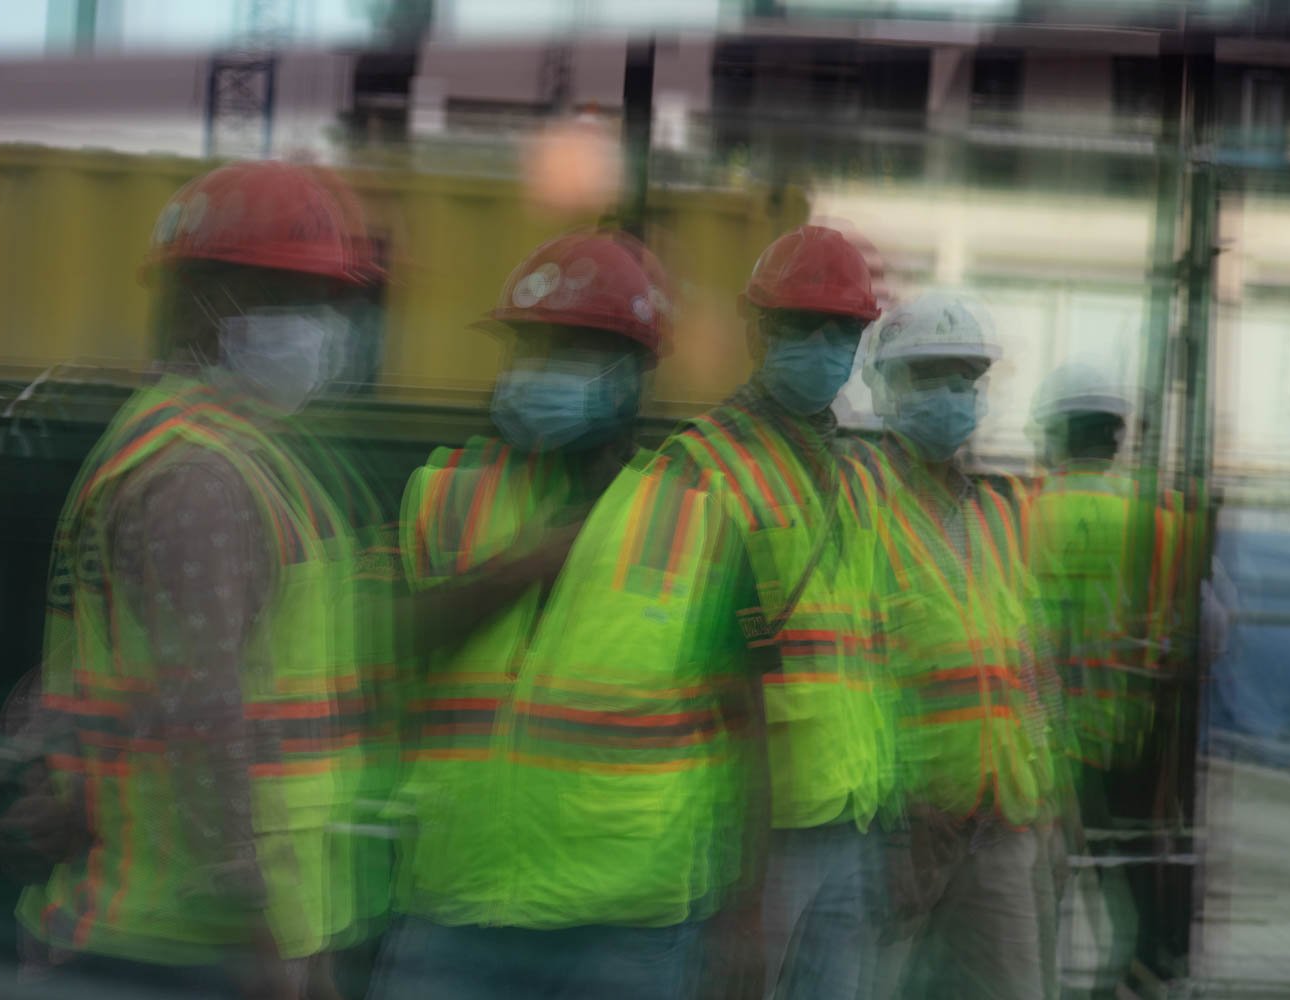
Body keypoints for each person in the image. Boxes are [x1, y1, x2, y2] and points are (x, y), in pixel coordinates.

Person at [0, 160, 388, 997]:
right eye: (289, 297)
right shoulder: (197, 475)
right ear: (206, 303)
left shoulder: (202, 447)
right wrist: (258, 925)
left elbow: (86, 680)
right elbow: (206, 710)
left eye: (326, 301)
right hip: (180, 942)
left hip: (168, 929)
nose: (320, 326)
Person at [372, 231, 759, 1000]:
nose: (538, 371)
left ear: (634, 375)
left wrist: (745, 915)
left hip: (625, 929)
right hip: (455, 912)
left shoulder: (698, 527)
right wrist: (526, 565)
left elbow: (744, 732)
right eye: (528, 348)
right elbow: (388, 651)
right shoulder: (440, 495)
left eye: (569, 351)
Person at [654, 224, 890, 999]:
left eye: (841, 330)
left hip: (850, 816)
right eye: (801, 326)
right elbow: (682, 664)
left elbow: (868, 648)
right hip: (753, 831)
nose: (824, 346)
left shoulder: (855, 474)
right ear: (760, 331)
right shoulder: (696, 466)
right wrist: (741, 887)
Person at [853, 293, 1061, 1000]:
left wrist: (1050, 799)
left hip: (1000, 820)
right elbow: (849, 672)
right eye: (928, 376)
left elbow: (1026, 661)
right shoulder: (854, 505)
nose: (949, 395)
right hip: (898, 831)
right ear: (885, 388)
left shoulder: (999, 514)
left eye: (963, 378)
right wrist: (896, 812)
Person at [1024, 361, 1183, 991]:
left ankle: (1037, 978)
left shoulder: (1024, 512)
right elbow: (1205, 629)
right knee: (1127, 865)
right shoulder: (1161, 520)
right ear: (1117, 436)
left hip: (1047, 732)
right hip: (1134, 732)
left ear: (1057, 432)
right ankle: (1140, 969)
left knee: (1045, 871)